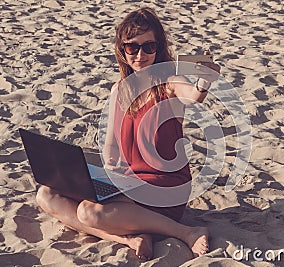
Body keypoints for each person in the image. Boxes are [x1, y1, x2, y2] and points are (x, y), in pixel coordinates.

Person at [36, 7, 220, 261]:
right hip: (128, 183)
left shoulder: (170, 83)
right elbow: (111, 148)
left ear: (159, 48)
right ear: (122, 50)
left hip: (164, 186)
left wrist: (203, 83)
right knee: (47, 194)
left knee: (89, 213)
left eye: (149, 47)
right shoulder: (119, 90)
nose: (141, 55)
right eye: (132, 48)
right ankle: (129, 238)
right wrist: (99, 178)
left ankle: (187, 232)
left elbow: (193, 97)